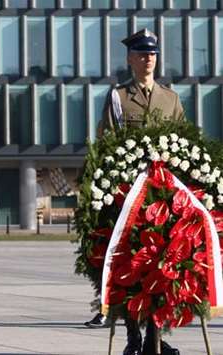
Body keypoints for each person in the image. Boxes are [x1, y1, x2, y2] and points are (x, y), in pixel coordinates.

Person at [96, 29, 184, 355]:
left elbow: (182, 145)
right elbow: (106, 144)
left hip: (162, 199)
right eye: (142, 54)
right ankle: (134, 336)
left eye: (153, 54)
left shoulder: (171, 99)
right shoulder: (118, 98)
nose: (148, 59)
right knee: (130, 268)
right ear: (130, 59)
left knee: (161, 268)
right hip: (127, 198)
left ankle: (154, 338)